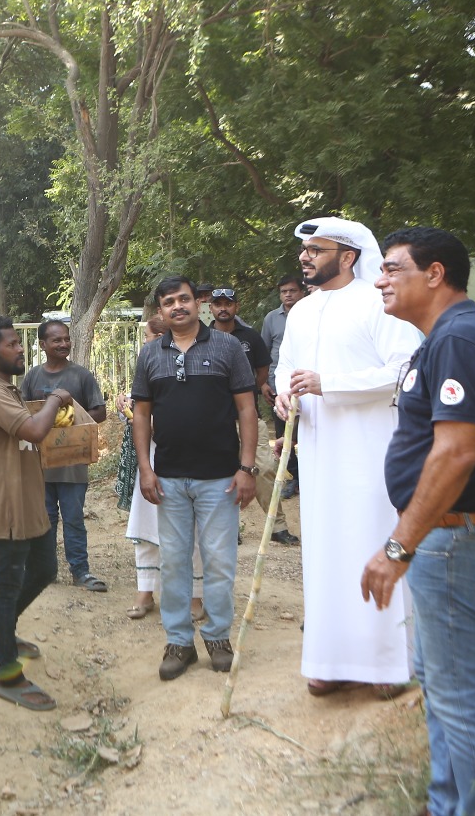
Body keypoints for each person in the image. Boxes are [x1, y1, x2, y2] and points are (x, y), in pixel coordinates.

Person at [362, 227, 475, 816]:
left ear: (434, 274)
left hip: (457, 540)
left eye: (391, 269)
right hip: (450, 539)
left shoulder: (460, 338)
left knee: (462, 703)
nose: (380, 280)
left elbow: (457, 452)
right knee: (443, 689)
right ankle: (447, 804)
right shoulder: (448, 339)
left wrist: (398, 546)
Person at [275, 217, 421, 699]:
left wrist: (329, 384)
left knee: (369, 541)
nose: (305, 256)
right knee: (324, 552)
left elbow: (404, 369)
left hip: (370, 451)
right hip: (318, 453)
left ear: (349, 256)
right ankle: (330, 661)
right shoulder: (300, 311)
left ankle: (386, 665)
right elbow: (287, 370)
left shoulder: (379, 303)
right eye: (305, 249)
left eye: (316, 249)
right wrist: (282, 397)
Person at [132, 277, 259, 680]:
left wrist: (247, 468)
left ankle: (218, 637)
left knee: (220, 562)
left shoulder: (228, 348)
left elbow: (247, 410)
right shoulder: (151, 355)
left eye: (184, 299)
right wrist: (146, 470)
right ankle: (179, 642)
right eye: (169, 302)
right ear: (161, 311)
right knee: (173, 563)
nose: (178, 306)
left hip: (220, 479)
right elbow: (140, 415)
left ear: (196, 304)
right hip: (168, 479)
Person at [0, 314, 79, 710]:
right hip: (6, 502)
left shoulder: (5, 389)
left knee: (45, 569)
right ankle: (7, 672)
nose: (21, 349)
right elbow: (32, 431)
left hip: (28, 498)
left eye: (19, 343)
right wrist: (54, 398)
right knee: (6, 582)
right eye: (13, 344)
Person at [117, 314, 203, 621]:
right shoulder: (148, 367)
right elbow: (142, 411)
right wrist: (129, 408)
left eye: (149, 338)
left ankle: (195, 597)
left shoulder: (194, 365)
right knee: (146, 525)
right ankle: (145, 592)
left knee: (189, 529)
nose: (145, 344)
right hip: (150, 460)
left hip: (187, 460)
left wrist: (148, 421)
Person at [21, 317, 109, 592]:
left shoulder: (81, 376)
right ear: (43, 344)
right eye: (56, 340)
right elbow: (23, 413)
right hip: (41, 465)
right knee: (44, 519)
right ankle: (44, 572)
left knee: (73, 518)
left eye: (66, 339)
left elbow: (101, 412)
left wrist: (73, 418)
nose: (63, 344)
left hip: (73, 463)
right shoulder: (33, 376)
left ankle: (80, 571)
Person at [212, 287, 299, 547]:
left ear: (236, 307)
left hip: (248, 416)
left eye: (228, 303)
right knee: (222, 473)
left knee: (263, 469)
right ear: (211, 308)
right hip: (215, 420)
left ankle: (277, 526)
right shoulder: (201, 337)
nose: (223, 308)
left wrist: (248, 389)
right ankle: (230, 528)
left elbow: (263, 369)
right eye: (218, 304)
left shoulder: (250, 337)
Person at [262, 274, 308, 495]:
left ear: (302, 291)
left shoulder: (312, 313)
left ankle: (309, 477)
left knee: (307, 433)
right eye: (284, 291)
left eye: (292, 291)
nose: (288, 295)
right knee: (284, 435)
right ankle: (292, 477)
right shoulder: (272, 318)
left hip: (310, 386)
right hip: (279, 387)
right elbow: (264, 353)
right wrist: (264, 384)